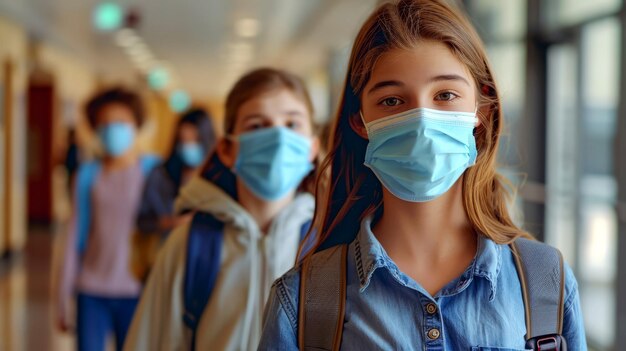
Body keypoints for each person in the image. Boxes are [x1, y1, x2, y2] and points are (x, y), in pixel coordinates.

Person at [258, 0, 587, 350]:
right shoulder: (303, 300)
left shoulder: (545, 283)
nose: (422, 122)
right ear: (360, 121)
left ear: (482, 108)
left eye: (445, 95)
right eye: (392, 101)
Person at [124, 68, 320, 351]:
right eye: (256, 125)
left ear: (312, 147)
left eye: (292, 124)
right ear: (227, 149)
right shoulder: (190, 245)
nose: (277, 138)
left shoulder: (330, 246)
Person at [55, 87, 160, 351]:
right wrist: (61, 295)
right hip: (91, 290)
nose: (113, 130)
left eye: (121, 123)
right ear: (95, 129)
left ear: (137, 125)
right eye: (105, 124)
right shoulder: (88, 175)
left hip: (138, 292)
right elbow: (74, 235)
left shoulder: (152, 171)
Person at [131, 108, 216, 280]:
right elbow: (141, 220)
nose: (188, 147)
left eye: (194, 140)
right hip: (161, 264)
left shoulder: (219, 179)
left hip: (205, 269)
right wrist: (170, 222)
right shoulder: (160, 175)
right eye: (183, 141)